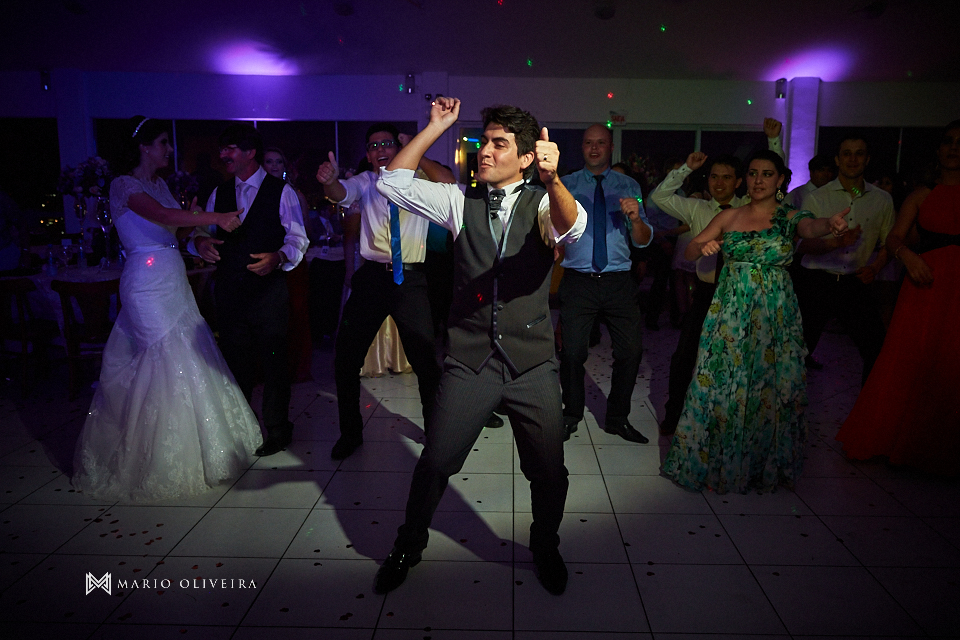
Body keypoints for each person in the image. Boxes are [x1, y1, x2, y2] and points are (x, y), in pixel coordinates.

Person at [373, 98, 586, 596]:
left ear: (528, 156)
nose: (484, 152)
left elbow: (571, 230)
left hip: (532, 363)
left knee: (549, 470)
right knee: (436, 460)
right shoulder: (457, 200)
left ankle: (545, 545)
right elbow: (391, 181)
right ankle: (409, 543)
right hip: (470, 361)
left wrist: (554, 182)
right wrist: (434, 127)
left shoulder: (542, 201)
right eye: (483, 142)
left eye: (499, 144)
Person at [72, 116, 263, 501]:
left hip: (172, 275)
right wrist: (214, 218)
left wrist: (197, 237)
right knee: (163, 356)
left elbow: (176, 228)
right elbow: (163, 217)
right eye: (163, 142)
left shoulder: (159, 184)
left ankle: (200, 450)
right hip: (144, 281)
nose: (169, 148)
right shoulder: (124, 185)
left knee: (187, 349)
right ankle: (152, 459)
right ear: (144, 146)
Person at [661, 150, 849, 494]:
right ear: (745, 179)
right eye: (752, 173)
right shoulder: (729, 215)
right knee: (722, 382)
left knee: (768, 386)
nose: (758, 180)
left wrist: (830, 225)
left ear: (780, 180)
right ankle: (716, 460)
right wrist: (702, 248)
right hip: (730, 311)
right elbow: (690, 250)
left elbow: (812, 227)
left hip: (774, 314)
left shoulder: (790, 217)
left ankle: (761, 465)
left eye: (767, 174)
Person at [316, 124, 451, 460]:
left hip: (413, 280)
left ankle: (436, 436)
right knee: (345, 360)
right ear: (368, 154)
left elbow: (448, 181)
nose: (380, 150)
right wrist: (329, 180)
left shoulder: (418, 179)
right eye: (373, 146)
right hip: (373, 278)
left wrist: (416, 151)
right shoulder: (366, 181)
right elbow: (340, 193)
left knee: (426, 363)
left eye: (387, 144)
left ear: (399, 148)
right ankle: (351, 434)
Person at [836, 120, 960, 476]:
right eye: (948, 142)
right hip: (926, 282)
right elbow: (895, 238)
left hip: (950, 284)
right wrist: (908, 256)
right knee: (911, 358)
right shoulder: (921, 194)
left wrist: (876, 266)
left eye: (959, 143)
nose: (953, 148)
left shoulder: (882, 197)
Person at [651, 119, 785, 435]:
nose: (719, 183)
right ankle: (674, 413)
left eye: (727, 178)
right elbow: (659, 197)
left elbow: (780, 195)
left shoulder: (751, 209)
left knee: (741, 360)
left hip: (742, 297)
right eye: (714, 177)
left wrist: (774, 143)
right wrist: (685, 168)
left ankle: (734, 420)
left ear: (739, 182)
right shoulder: (697, 208)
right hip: (707, 293)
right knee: (684, 356)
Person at [193, 124, 309, 457]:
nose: (223, 155)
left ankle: (277, 430)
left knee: (274, 363)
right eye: (221, 149)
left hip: (269, 292)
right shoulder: (218, 191)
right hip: (229, 291)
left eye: (229, 148)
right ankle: (241, 428)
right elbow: (198, 230)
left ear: (249, 152)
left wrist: (279, 257)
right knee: (235, 362)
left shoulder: (281, 191)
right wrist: (200, 242)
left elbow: (298, 238)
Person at [558, 124, 653, 443]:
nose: (594, 148)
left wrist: (637, 219)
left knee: (631, 351)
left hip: (618, 282)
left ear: (611, 147)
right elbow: (552, 229)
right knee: (571, 353)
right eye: (588, 143)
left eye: (601, 143)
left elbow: (642, 241)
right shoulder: (566, 184)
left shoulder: (628, 184)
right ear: (581, 147)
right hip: (578, 280)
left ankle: (617, 418)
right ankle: (570, 413)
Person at [795, 134, 894, 381]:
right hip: (816, 280)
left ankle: (868, 414)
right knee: (795, 352)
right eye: (847, 154)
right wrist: (836, 243)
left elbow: (890, 242)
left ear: (867, 159)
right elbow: (802, 245)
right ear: (838, 160)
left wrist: (876, 267)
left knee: (876, 348)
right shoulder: (817, 197)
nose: (853, 159)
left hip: (854, 281)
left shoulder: (882, 199)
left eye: (859, 153)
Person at [264, 146, 313, 382]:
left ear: (285, 167)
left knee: (296, 314)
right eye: (269, 162)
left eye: (278, 162)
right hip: (267, 264)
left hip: (293, 263)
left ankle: (296, 367)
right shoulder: (256, 194)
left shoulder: (295, 194)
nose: (274, 166)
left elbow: (305, 233)